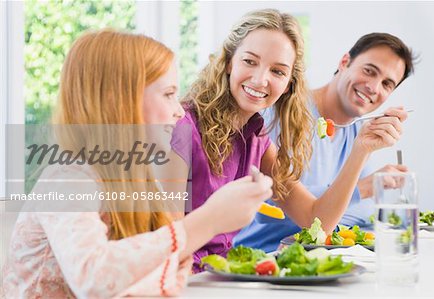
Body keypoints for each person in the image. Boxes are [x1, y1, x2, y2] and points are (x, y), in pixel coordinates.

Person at [1, 30, 273, 298]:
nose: (179, 110)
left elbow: (161, 278)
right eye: (168, 94)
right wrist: (209, 220)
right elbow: (93, 277)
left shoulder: (138, 179)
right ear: (119, 101)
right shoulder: (66, 178)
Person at [171, 9, 408, 272]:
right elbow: (160, 239)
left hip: (218, 276)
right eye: (250, 61)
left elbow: (315, 220)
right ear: (229, 62)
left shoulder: (257, 138)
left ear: (288, 84)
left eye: (278, 71)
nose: (261, 79)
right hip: (181, 278)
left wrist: (361, 150)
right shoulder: (182, 126)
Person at [233, 32, 416, 252]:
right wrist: (362, 189)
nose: (374, 87)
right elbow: (268, 209)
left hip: (321, 259)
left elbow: (362, 213)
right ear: (344, 62)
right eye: (369, 71)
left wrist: (358, 193)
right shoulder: (281, 112)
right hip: (261, 256)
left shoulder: (359, 131)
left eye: (387, 84)